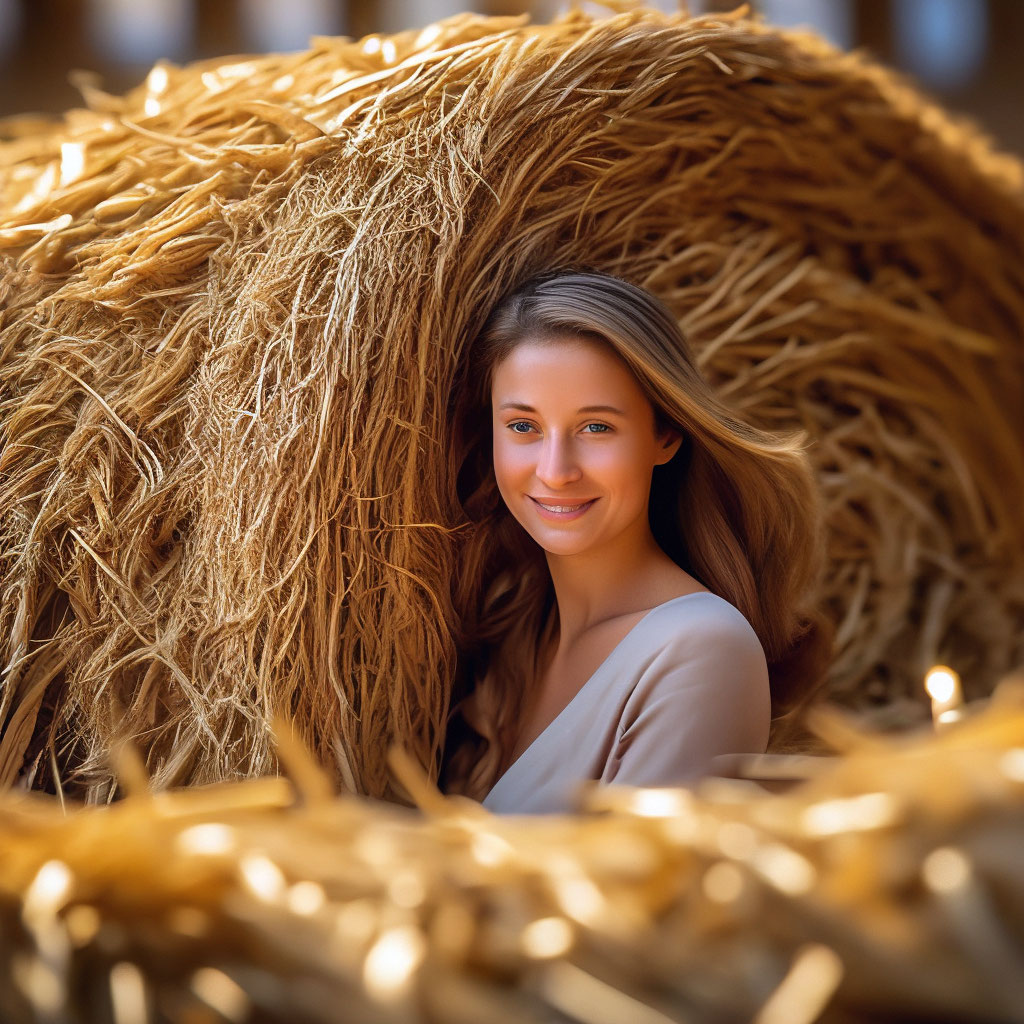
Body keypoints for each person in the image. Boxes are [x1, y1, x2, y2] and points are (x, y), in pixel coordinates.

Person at [440, 268, 834, 813]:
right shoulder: (514, 637)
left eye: (596, 428)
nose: (555, 471)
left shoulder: (700, 649)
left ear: (665, 435)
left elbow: (634, 891)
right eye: (524, 427)